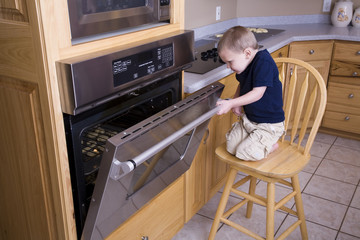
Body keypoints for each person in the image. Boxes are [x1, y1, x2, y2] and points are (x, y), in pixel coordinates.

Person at [216, 26, 285, 161]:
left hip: (268, 124)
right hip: (250, 120)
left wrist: (231, 103)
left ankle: (271, 146)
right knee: (230, 147)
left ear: (247, 53)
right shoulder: (244, 65)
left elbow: (257, 93)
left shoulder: (263, 62)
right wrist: (236, 101)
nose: (228, 67)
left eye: (230, 61)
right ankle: (257, 144)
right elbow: (242, 83)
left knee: (243, 152)